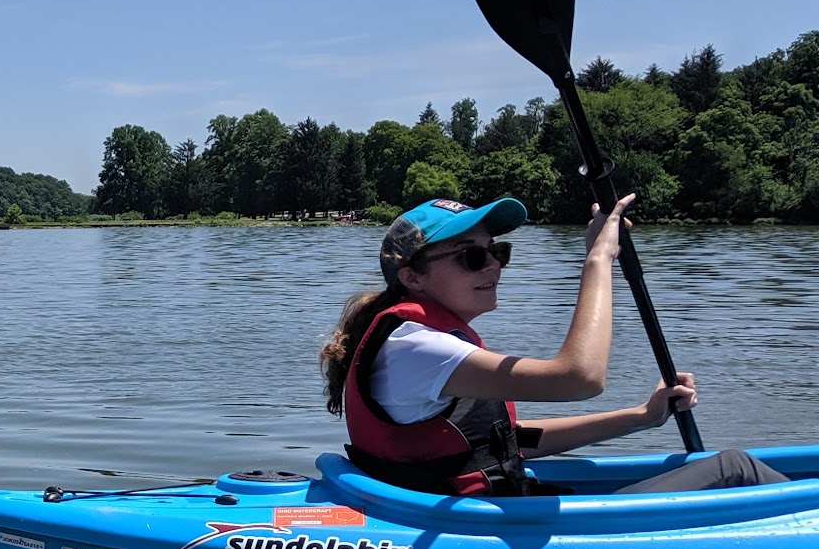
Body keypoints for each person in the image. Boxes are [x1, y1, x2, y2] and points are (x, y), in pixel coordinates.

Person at [319, 194, 786, 497]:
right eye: (472, 256)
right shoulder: (416, 347)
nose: (493, 267)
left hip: (490, 510)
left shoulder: (423, 344)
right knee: (734, 469)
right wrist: (598, 258)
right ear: (412, 278)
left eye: (497, 251)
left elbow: (509, 443)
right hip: (480, 527)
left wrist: (643, 418)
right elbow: (581, 377)